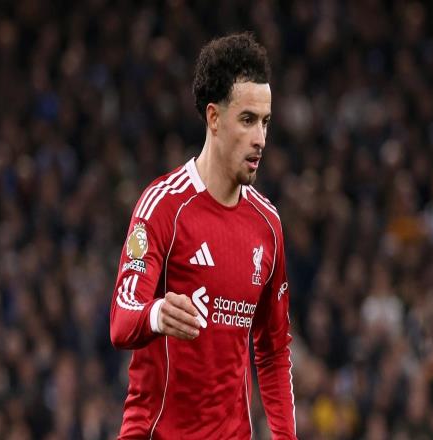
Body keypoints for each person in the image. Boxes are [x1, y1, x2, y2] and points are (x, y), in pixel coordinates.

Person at [109, 32, 296, 439]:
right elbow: (121, 319)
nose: (260, 138)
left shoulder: (267, 224)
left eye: (265, 122)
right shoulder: (163, 206)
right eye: (247, 120)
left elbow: (273, 351)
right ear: (213, 118)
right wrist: (157, 314)